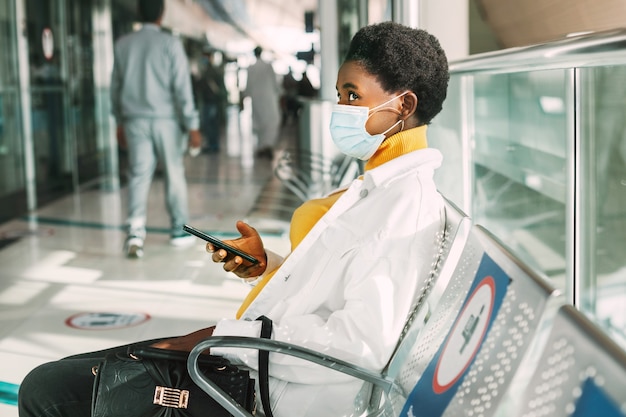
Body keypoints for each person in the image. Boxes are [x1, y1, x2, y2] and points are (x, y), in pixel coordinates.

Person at [18, 22, 449, 417]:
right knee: (68, 371)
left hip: (269, 390)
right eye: (339, 94)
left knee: (48, 389)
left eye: (353, 95)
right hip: (255, 357)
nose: (341, 107)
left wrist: (227, 340)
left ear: (404, 105)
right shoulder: (378, 187)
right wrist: (269, 267)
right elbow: (335, 283)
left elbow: (359, 346)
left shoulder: (404, 208)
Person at [110, 0, 201, 258]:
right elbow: (182, 89)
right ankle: (178, 230)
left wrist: (119, 121)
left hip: (134, 120)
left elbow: (114, 88)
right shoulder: (170, 44)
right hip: (166, 120)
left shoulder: (123, 45)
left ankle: (135, 233)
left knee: (138, 175)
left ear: (139, 13)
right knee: (173, 173)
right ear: (162, 14)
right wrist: (192, 125)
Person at [244, 46, 281, 159]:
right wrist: (279, 93)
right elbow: (275, 83)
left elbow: (248, 86)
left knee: (259, 122)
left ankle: (262, 146)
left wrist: (244, 97)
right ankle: (267, 145)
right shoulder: (268, 66)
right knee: (271, 121)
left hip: (256, 99)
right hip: (268, 98)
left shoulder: (251, 68)